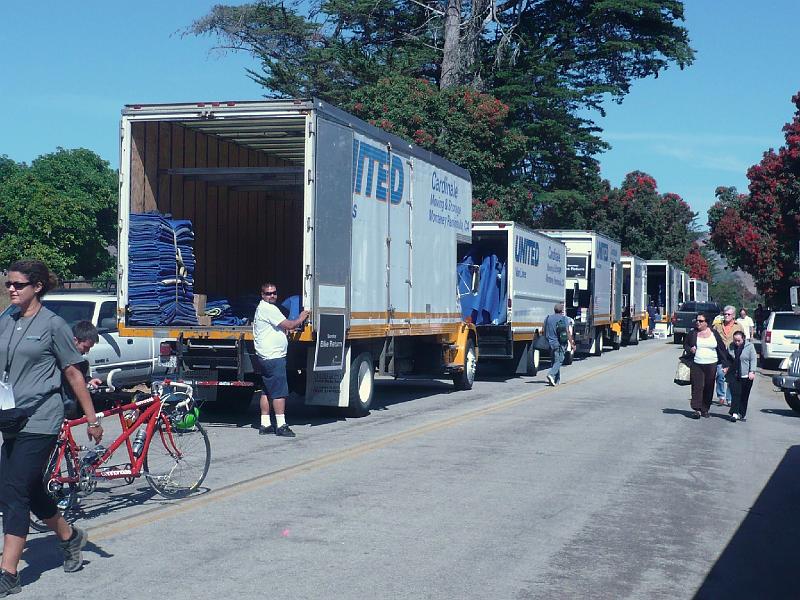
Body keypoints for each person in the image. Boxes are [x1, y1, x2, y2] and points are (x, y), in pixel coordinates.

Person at [0, 260, 104, 596]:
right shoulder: (7, 320)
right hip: (11, 417)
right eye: (8, 285)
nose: (11, 290)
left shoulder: (54, 325)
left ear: (37, 287)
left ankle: (9, 573)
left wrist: (91, 418)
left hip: (41, 419)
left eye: (18, 284)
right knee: (28, 490)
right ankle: (70, 537)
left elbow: (74, 373)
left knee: (14, 491)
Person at [253, 282, 309, 438]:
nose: (272, 296)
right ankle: (281, 425)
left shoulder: (261, 308)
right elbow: (289, 324)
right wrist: (302, 317)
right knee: (279, 393)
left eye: (274, 293)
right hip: (273, 356)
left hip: (265, 356)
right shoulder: (269, 309)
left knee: (266, 391)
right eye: (268, 293)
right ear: (262, 295)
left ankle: (265, 424)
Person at [684, 313, 731, 418]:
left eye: (701, 321)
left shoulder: (714, 333)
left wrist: (725, 364)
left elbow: (721, 348)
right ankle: (697, 409)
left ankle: (705, 409)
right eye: (697, 320)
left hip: (711, 364)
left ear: (706, 323)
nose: (698, 323)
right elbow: (686, 345)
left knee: (709, 387)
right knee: (697, 386)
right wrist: (690, 349)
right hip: (697, 363)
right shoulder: (693, 333)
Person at [63, 321, 103, 418]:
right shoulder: (62, 357)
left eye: (89, 348)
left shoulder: (81, 362)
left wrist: (89, 381)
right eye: (85, 347)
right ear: (75, 340)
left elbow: (80, 378)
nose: (87, 351)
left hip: (71, 408)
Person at [712, 305, 744, 407]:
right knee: (720, 375)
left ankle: (729, 398)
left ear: (733, 316)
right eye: (724, 314)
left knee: (731, 378)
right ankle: (721, 396)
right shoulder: (717, 326)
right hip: (720, 355)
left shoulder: (738, 326)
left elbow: (743, 340)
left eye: (728, 314)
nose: (726, 316)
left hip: (733, 355)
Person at [726, 330, 757, 422]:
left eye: (739, 340)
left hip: (746, 375)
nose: (737, 342)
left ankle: (741, 413)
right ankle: (734, 413)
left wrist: (752, 371)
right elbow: (728, 358)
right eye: (735, 340)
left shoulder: (750, 347)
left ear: (743, 339)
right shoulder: (731, 347)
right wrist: (726, 367)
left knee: (744, 395)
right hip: (734, 375)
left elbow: (753, 359)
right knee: (736, 394)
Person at [544, 304, 574, 386]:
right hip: (560, 343)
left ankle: (556, 380)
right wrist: (572, 344)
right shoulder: (564, 319)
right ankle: (551, 374)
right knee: (560, 360)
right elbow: (567, 332)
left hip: (550, 343)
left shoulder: (548, 318)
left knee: (555, 361)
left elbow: (544, 330)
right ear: (562, 311)